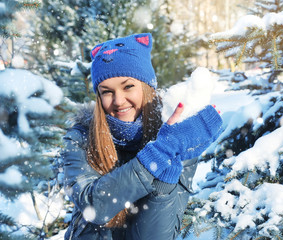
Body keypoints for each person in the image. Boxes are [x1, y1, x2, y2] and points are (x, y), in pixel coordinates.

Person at [61, 33, 223, 240]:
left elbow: (156, 236)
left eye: (128, 86)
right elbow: (94, 206)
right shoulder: (80, 138)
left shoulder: (174, 136)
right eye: (107, 91)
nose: (119, 100)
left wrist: (166, 175)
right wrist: (155, 157)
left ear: (147, 88)